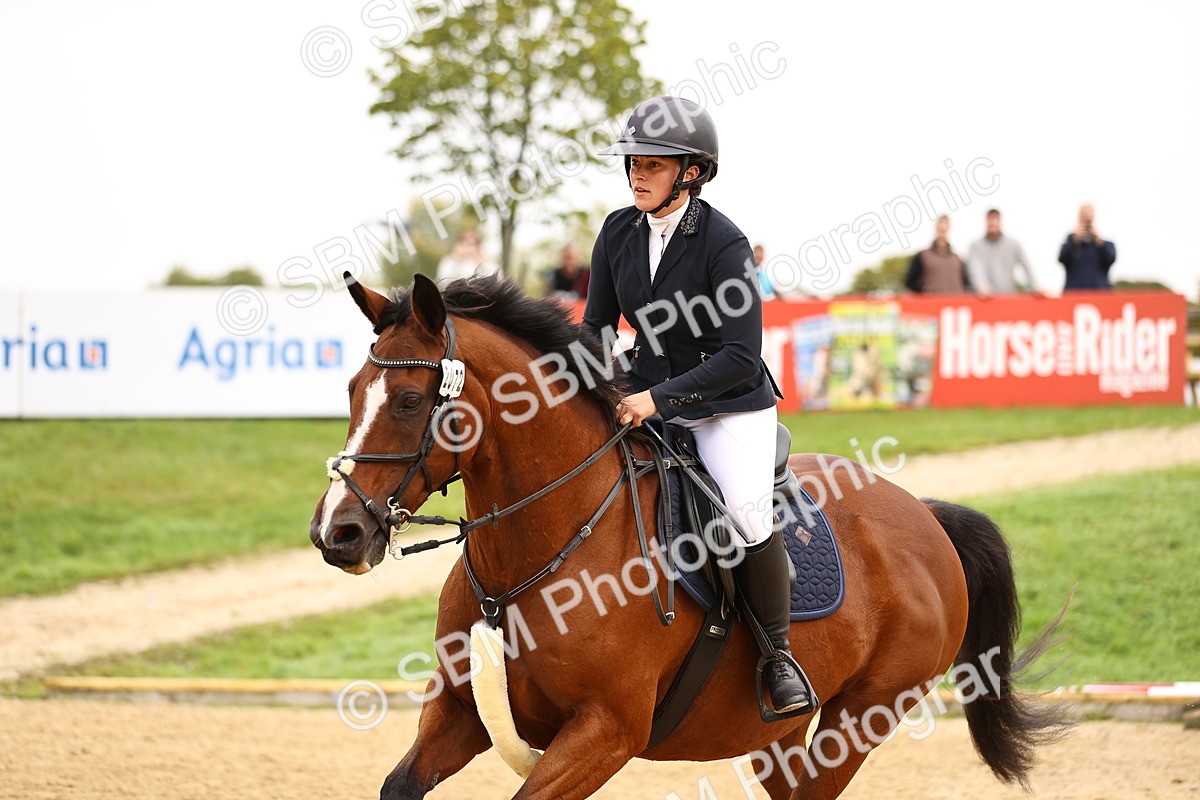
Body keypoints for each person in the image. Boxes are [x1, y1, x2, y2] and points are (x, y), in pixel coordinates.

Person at [583, 96, 812, 715]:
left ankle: (777, 657)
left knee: (747, 516)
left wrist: (655, 399)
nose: (637, 175)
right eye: (633, 163)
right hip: (643, 393)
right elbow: (597, 327)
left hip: (726, 406)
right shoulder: (617, 231)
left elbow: (740, 354)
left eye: (652, 165)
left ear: (691, 172)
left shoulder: (723, 242)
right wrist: (588, 382)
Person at [966, 209, 1039, 296]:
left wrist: (1035, 286)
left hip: (1008, 297)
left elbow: (1026, 266)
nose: (992, 223)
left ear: (1000, 221)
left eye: (995, 219)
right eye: (990, 219)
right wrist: (982, 287)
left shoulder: (1013, 244)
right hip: (985, 299)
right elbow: (975, 269)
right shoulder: (975, 246)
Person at [905, 215, 970, 294]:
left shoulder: (957, 259)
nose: (942, 228)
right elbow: (910, 282)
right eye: (940, 224)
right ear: (936, 227)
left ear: (949, 228)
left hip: (955, 300)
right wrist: (924, 292)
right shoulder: (923, 256)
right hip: (931, 300)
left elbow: (966, 282)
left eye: (945, 225)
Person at [1059, 203, 1116, 290]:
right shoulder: (1071, 243)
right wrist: (1074, 241)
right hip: (1075, 292)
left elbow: (1110, 259)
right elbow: (1061, 258)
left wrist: (1099, 242)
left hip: (1099, 292)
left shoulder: (1103, 244)